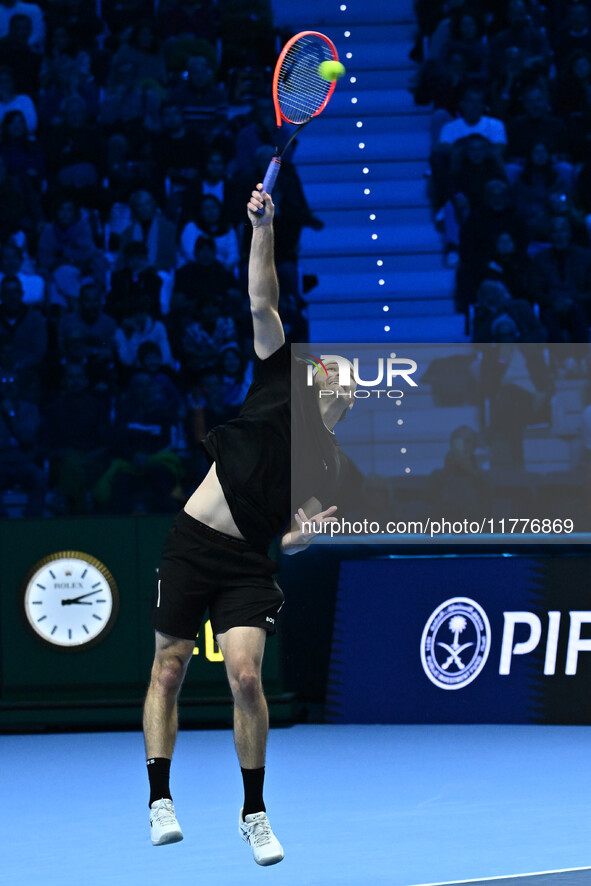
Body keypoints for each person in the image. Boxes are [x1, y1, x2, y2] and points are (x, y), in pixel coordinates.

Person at [142, 184, 360, 863]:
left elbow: (295, 536)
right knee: (169, 669)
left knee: (244, 678)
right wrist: (262, 227)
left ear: (346, 398)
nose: (333, 372)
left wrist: (304, 535)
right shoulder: (277, 381)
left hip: (246, 566)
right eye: (330, 366)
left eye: (345, 375)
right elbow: (261, 301)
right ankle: (159, 798)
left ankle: (254, 813)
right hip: (191, 541)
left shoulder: (336, 470)